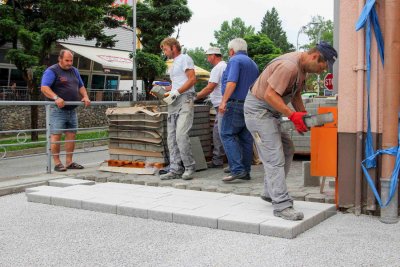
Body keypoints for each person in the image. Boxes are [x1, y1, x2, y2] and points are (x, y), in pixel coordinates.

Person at [244, 41, 338, 221]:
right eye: (322, 66)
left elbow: (294, 94)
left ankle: (269, 192)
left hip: (270, 112)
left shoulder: (302, 70)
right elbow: (269, 95)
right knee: (274, 157)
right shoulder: (289, 67)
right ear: (315, 56)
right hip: (258, 113)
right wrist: (292, 116)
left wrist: (302, 115)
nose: (323, 71)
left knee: (287, 149)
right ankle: (281, 205)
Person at [41, 49, 91, 172]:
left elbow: (81, 86)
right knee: (56, 136)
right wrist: (56, 97)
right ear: (60, 59)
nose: (69, 63)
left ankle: (69, 162)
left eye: (71, 60)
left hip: (72, 110)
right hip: (57, 110)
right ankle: (57, 163)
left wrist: (85, 96)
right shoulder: (52, 71)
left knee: (71, 136)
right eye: (67, 60)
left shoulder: (74, 71)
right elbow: (44, 87)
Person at [219, 38, 259, 182]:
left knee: (227, 134)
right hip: (249, 104)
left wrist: (223, 101)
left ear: (231, 51)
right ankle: (246, 171)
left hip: (235, 103)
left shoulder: (235, 61)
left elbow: (232, 82)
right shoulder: (253, 64)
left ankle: (237, 169)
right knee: (245, 138)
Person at [159, 37, 197, 180]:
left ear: (174, 47)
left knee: (181, 135)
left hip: (185, 98)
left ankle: (189, 167)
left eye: (165, 48)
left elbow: (192, 79)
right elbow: (177, 84)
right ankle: (175, 168)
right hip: (174, 100)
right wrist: (164, 88)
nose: (164, 51)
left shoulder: (185, 58)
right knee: (172, 136)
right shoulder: (174, 63)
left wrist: (178, 91)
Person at [195, 47, 227, 169]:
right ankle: (221, 159)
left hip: (221, 105)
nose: (207, 59)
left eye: (208, 56)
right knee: (221, 132)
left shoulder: (217, 68)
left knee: (220, 133)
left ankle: (219, 160)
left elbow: (210, 87)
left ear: (214, 55)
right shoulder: (226, 66)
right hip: (224, 104)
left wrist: (195, 97)